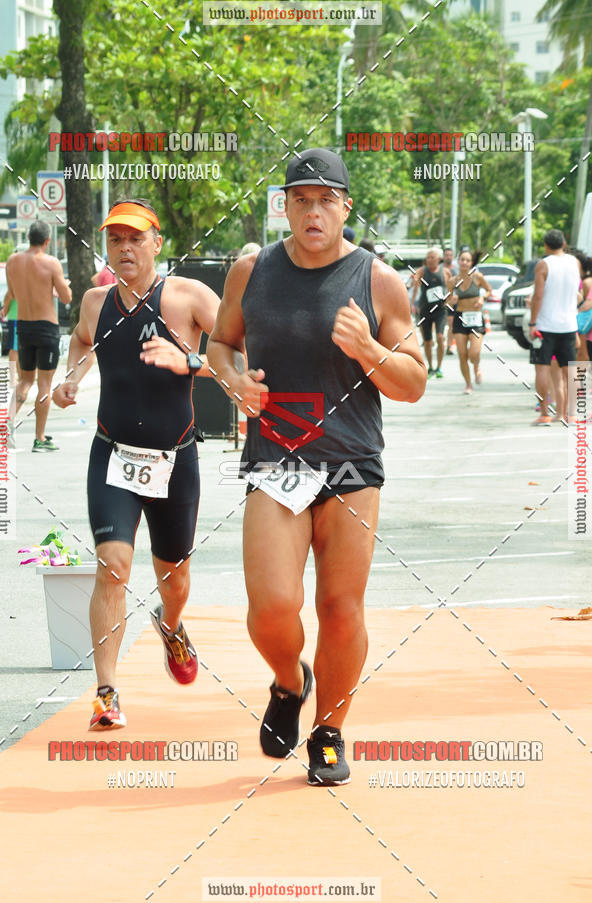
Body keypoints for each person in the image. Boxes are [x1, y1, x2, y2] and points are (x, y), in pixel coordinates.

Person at [207, 148, 426, 786]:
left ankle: (328, 731)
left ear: (345, 207)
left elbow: (412, 383)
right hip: (276, 462)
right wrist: (233, 381)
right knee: (271, 607)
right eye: (301, 198)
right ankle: (288, 680)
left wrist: (368, 349)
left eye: (326, 199)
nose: (313, 211)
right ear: (286, 205)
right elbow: (221, 343)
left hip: (352, 466)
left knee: (339, 607)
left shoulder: (378, 280)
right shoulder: (252, 271)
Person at [52, 199, 220, 730]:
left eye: (135, 238)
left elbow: (244, 351)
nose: (125, 248)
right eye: (116, 239)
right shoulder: (95, 301)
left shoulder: (190, 297)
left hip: (176, 458)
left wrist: (191, 360)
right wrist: (73, 378)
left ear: (157, 243)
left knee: (174, 579)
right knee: (113, 566)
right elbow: (82, 342)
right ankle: (106, 691)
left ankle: (171, 626)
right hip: (113, 454)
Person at [5, 221, 72, 451]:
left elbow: (11, 293)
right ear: (47, 241)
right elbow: (66, 298)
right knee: (45, 385)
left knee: (25, 380)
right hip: (46, 328)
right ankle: (40, 438)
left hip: (24, 326)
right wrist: (65, 287)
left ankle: (9, 422)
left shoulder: (12, 262)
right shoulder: (51, 263)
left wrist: (5, 309)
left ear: (28, 237)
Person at [528, 228, 579, 425]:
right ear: (564, 243)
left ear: (546, 246)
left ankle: (544, 414)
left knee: (542, 369)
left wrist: (533, 323)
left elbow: (538, 296)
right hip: (568, 324)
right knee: (571, 371)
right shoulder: (574, 263)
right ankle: (570, 413)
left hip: (545, 326)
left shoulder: (543, 265)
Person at [446, 249, 492, 393]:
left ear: (471, 263)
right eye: (462, 260)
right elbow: (446, 301)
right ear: (458, 261)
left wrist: (482, 298)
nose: (464, 262)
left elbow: (489, 290)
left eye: (467, 260)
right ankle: (468, 384)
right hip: (460, 318)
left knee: (474, 353)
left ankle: (476, 366)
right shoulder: (452, 281)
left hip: (476, 319)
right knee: (462, 354)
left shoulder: (478, 277)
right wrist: (451, 300)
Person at [411, 247, 451, 378]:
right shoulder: (422, 271)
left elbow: (451, 287)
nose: (429, 259)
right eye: (428, 257)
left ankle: (439, 367)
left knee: (440, 337)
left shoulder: (445, 272)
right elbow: (415, 281)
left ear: (439, 259)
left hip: (440, 310)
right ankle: (430, 367)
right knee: (427, 341)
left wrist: (450, 299)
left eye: (432, 257)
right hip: (425, 309)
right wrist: (413, 281)